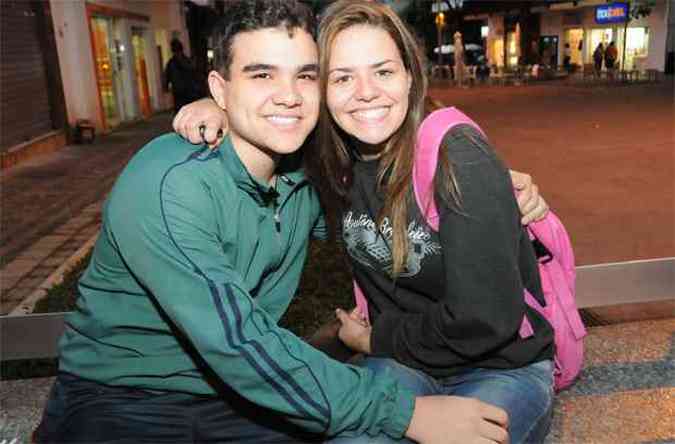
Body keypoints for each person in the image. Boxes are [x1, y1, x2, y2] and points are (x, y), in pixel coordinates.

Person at [33, 1, 523, 443]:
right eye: (262, 75)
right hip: (121, 395)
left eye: (305, 76)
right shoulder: (169, 184)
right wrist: (407, 412)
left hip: (236, 397)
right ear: (220, 88)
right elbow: (239, 343)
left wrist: (490, 190)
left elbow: (377, 214)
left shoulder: (304, 178)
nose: (288, 96)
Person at [175, 1, 555, 443]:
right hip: (407, 364)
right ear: (319, 89)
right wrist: (219, 106)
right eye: (342, 77)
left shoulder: (458, 156)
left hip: (501, 366)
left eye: (384, 72)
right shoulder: (330, 161)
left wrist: (374, 341)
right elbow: (267, 115)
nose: (366, 92)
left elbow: (486, 320)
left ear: (410, 77)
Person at [163, 38, 199, 113]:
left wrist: (165, 86)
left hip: (179, 90)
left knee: (180, 109)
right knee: (188, 108)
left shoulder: (171, 63)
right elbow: (194, 73)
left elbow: (167, 76)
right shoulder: (187, 61)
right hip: (188, 90)